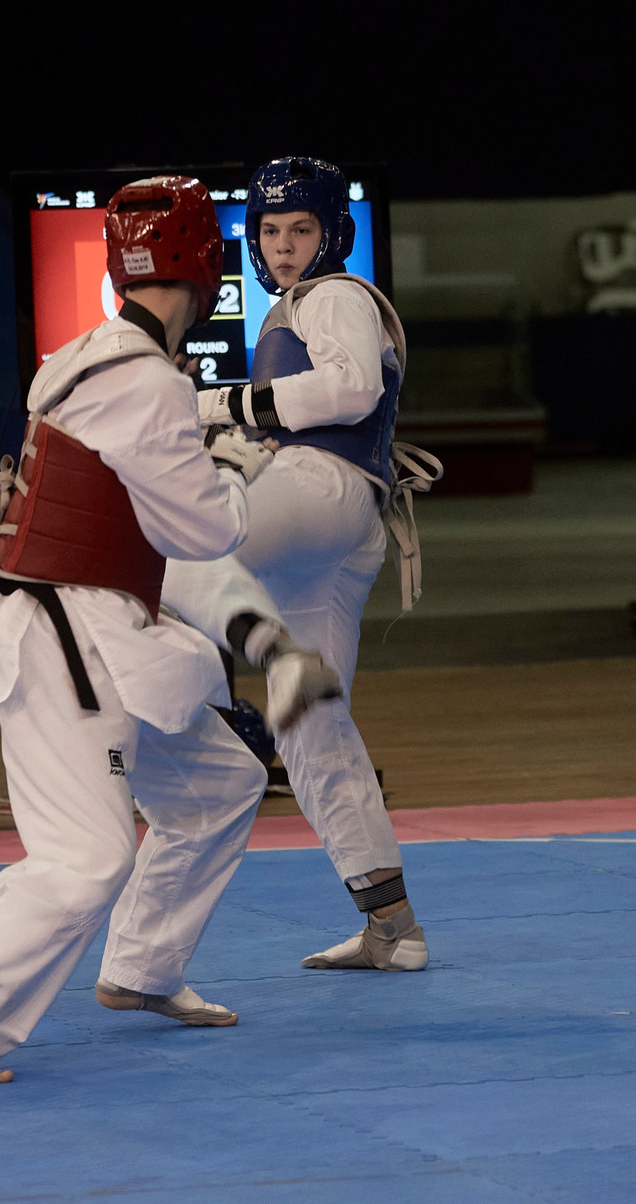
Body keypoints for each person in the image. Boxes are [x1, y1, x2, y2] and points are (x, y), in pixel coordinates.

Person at [0, 175, 341, 1087]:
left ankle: (141, 967)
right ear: (209, 270)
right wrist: (233, 464)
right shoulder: (144, 383)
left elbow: (157, 534)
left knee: (220, 783)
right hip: (66, 639)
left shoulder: (85, 357)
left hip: (109, 627)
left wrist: (264, 636)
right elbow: (205, 533)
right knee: (88, 857)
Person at [180, 154, 438, 971]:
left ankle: (179, 728)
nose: (285, 245)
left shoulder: (335, 295)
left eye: (301, 228)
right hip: (336, 530)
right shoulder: (294, 308)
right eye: (270, 230)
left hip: (321, 492)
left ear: (334, 233)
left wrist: (211, 404)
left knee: (175, 554)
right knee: (311, 726)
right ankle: (393, 926)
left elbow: (351, 390)